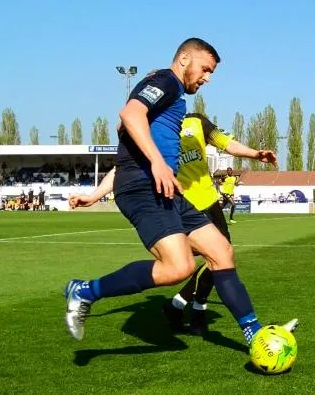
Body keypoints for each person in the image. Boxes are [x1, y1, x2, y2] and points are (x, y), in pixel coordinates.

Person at [63, 38, 294, 344]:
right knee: (179, 267)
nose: (207, 78)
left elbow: (127, 147)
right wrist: (158, 163)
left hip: (167, 189)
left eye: (211, 73)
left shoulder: (175, 102)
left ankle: (254, 334)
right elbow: (130, 115)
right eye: (205, 69)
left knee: (221, 251)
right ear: (184, 59)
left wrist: (96, 194)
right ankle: (84, 291)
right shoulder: (165, 82)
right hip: (143, 188)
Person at [70, 113, 281, 335]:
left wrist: (255, 154)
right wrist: (94, 196)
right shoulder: (147, 126)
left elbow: (227, 143)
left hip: (207, 202)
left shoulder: (197, 122)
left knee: (221, 255)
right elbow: (123, 169)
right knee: (185, 265)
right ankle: (189, 308)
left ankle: (189, 308)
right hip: (174, 202)